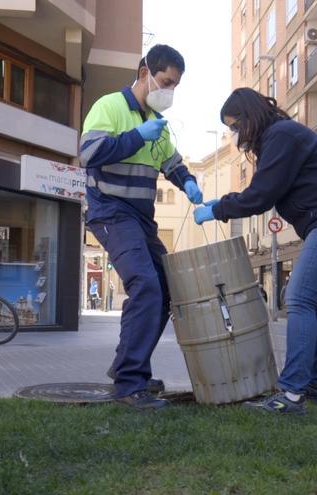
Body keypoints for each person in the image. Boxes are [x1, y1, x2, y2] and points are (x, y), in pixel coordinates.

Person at [194, 88, 317, 414]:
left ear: (249, 117)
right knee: (314, 305)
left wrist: (219, 209)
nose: (234, 135)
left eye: (234, 126)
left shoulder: (281, 135)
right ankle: (313, 384)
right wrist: (226, 204)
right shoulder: (279, 136)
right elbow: (265, 191)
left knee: (298, 299)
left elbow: (261, 195)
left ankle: (291, 394)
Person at [80, 44, 203, 410]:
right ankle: (129, 384)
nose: (169, 91)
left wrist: (189, 182)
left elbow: (172, 163)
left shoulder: (158, 125)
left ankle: (129, 368)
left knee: (166, 289)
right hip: (110, 212)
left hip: (140, 219)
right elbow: (89, 154)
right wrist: (137, 136)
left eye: (175, 85)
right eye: (166, 81)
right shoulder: (109, 107)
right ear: (145, 71)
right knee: (146, 285)